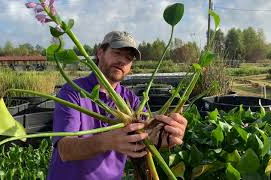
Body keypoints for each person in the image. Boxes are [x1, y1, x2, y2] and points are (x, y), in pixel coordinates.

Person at [47, 31, 188, 180]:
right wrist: (108, 141)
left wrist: (165, 135)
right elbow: (65, 150)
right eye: (117, 53)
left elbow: (146, 138)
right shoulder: (73, 91)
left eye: (128, 58)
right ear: (100, 53)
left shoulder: (131, 100)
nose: (122, 61)